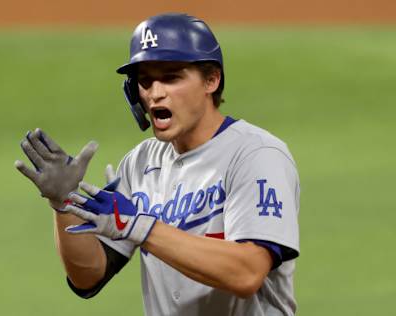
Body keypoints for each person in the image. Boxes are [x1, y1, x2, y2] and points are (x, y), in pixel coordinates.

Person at [15, 13, 300, 316]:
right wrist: (63, 204)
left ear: (211, 80)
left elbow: (246, 273)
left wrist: (141, 227)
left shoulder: (256, 154)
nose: (155, 93)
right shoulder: (140, 163)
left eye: (171, 77)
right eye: (145, 81)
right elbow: (89, 276)